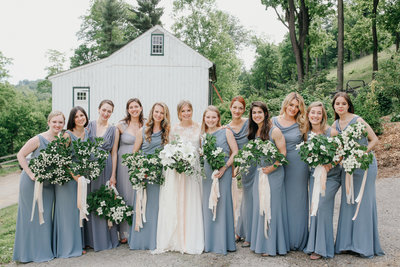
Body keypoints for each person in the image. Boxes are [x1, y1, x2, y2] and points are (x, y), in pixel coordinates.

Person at [332, 92, 384, 258]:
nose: (340, 106)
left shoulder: (358, 120)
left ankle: (363, 246)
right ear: (334, 106)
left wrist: (361, 153)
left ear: (348, 105)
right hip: (347, 167)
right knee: (348, 202)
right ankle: (346, 244)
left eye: (343, 103)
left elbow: (374, 140)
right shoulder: (335, 125)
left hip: (364, 165)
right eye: (337, 103)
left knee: (363, 202)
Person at [13, 111, 65, 263]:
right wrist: (30, 173)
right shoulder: (38, 139)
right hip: (31, 183)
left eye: (60, 122)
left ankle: (42, 251)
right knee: (30, 217)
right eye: (54, 122)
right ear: (49, 122)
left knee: (45, 216)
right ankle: (26, 254)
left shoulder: (61, 141)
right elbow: (20, 155)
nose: (57, 125)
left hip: (48, 185)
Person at [155, 100, 204, 254]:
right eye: (183, 111)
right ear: (178, 113)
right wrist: (178, 159)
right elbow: (170, 148)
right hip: (177, 171)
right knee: (176, 200)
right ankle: (175, 237)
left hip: (193, 170)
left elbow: (202, 149)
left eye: (188, 110)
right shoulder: (173, 129)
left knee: (192, 201)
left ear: (192, 111)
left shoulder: (199, 127)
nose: (186, 113)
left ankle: (191, 237)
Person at [248, 101, 289, 256]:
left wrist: (272, 168)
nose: (256, 115)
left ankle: (272, 245)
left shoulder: (274, 131)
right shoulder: (254, 131)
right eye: (254, 113)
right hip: (260, 173)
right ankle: (261, 242)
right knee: (260, 206)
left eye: (259, 112)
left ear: (265, 113)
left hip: (274, 173)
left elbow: (283, 153)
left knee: (272, 206)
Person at [128, 102, 170, 250]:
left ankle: (154, 240)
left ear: (165, 115)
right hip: (143, 173)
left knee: (155, 207)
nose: (158, 115)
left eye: (161, 113)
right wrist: (139, 170)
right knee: (141, 205)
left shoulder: (167, 132)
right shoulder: (143, 130)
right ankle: (140, 241)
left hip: (158, 175)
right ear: (152, 112)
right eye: (156, 112)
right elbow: (135, 152)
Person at [302, 102, 341, 259]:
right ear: (308, 115)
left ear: (323, 116)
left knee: (323, 207)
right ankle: (313, 245)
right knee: (314, 209)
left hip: (330, 176)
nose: (315, 116)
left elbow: (340, 153)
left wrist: (330, 164)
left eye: (319, 113)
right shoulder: (306, 133)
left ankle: (322, 248)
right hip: (314, 176)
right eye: (313, 113)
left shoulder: (331, 132)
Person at [272, 92, 309, 251]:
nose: (293, 109)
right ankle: (281, 239)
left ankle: (297, 239)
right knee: (278, 201)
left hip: (298, 166)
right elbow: (254, 123)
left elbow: (314, 138)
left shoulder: (303, 124)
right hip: (278, 165)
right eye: (291, 105)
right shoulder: (273, 121)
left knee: (296, 202)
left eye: (297, 106)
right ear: (285, 104)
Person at [201, 105, 238, 255]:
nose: (210, 120)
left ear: (218, 118)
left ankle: (224, 242)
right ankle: (209, 242)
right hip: (208, 173)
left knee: (223, 204)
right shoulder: (202, 135)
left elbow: (235, 151)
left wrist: (225, 168)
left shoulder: (226, 131)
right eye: (208, 117)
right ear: (204, 118)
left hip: (224, 171)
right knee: (207, 205)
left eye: (213, 117)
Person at [84, 100, 119, 251]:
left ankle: (103, 239)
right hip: (90, 170)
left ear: (112, 113)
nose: (106, 113)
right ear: (98, 109)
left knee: (103, 200)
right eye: (104, 110)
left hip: (105, 168)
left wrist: (113, 175)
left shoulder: (114, 130)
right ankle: (89, 239)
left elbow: (114, 153)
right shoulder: (88, 126)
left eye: (109, 111)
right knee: (89, 200)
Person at [53, 106, 88, 258]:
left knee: (78, 210)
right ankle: (67, 247)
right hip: (68, 178)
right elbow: (60, 158)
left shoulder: (87, 133)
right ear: (72, 119)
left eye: (82, 115)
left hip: (81, 177)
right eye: (77, 116)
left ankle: (78, 244)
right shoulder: (67, 135)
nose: (80, 118)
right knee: (67, 212)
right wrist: (73, 174)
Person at [225, 96, 254, 247]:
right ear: (230, 108)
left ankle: (248, 234)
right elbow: (230, 150)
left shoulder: (250, 123)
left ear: (244, 110)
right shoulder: (227, 128)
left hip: (255, 163)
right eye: (234, 107)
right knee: (246, 200)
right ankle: (242, 231)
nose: (237, 111)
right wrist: (232, 170)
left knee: (251, 199)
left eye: (240, 108)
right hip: (243, 166)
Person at [116, 98, 144, 243]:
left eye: (136, 106)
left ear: (141, 108)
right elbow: (114, 149)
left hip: (139, 163)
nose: (134, 109)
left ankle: (138, 228)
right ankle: (124, 232)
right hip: (123, 164)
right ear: (127, 109)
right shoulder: (121, 125)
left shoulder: (146, 124)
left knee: (137, 194)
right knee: (125, 194)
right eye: (131, 107)